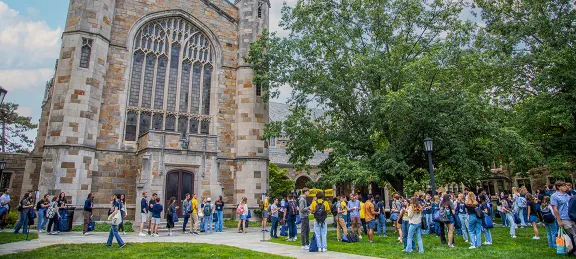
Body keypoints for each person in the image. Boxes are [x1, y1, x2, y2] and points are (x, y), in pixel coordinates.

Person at [551, 181, 576, 247]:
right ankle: (568, 248)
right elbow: (555, 209)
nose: (565, 187)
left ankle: (571, 248)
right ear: (558, 187)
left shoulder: (567, 195)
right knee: (573, 234)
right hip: (563, 217)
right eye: (563, 186)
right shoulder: (554, 196)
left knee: (573, 234)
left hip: (571, 217)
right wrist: (559, 220)